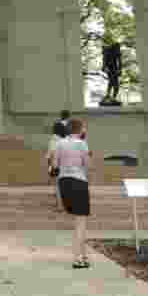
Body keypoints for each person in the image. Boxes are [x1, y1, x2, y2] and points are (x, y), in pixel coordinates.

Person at [48, 118, 92, 269]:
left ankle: (83, 255)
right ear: (80, 130)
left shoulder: (59, 143)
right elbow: (87, 165)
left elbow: (54, 165)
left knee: (78, 220)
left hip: (63, 182)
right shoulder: (82, 144)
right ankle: (78, 258)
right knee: (81, 222)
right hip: (78, 181)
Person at [46, 110, 71, 211]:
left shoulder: (53, 140)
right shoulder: (68, 140)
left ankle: (60, 206)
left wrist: (50, 167)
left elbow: (50, 155)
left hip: (57, 165)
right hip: (68, 166)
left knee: (58, 187)